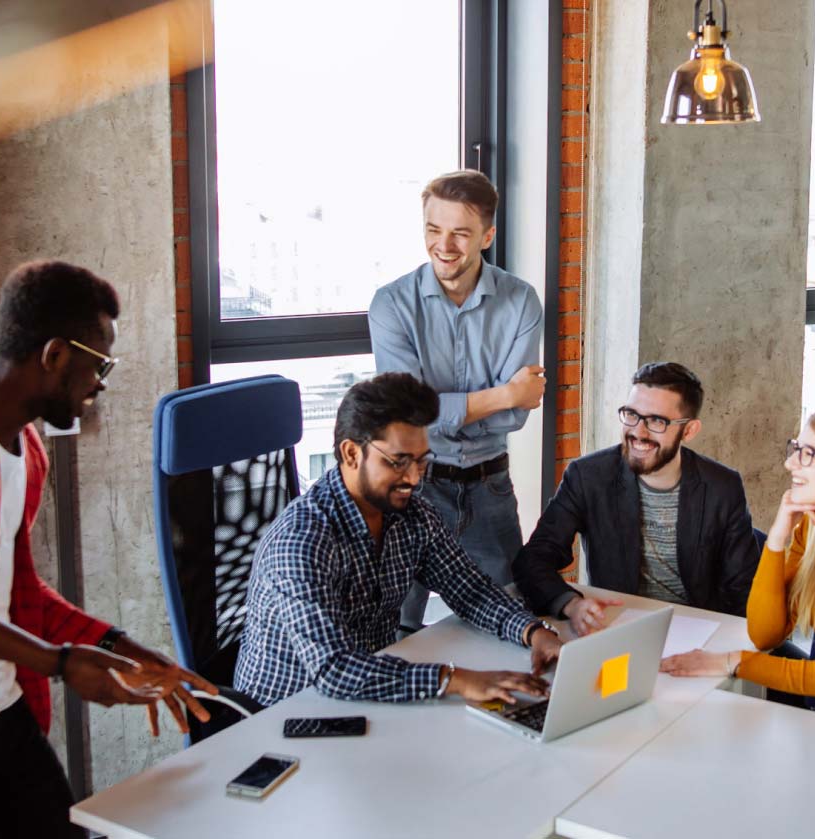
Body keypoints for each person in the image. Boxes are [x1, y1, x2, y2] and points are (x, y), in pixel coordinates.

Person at [0, 261, 217, 839]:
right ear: (55, 355)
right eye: (98, 363)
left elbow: (21, 590)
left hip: (0, 711)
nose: (101, 382)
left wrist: (126, 650)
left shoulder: (28, 449)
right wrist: (60, 663)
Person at [234, 372, 561, 707]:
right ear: (351, 454)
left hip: (370, 695)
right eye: (398, 462)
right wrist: (454, 679)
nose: (414, 478)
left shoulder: (413, 515)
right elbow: (334, 670)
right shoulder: (302, 541)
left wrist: (533, 632)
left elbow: (470, 591)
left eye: (421, 461)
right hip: (283, 716)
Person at [368, 170, 544, 630]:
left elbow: (517, 417)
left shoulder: (522, 301)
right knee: (395, 628)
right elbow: (409, 416)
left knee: (509, 620)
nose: (443, 245)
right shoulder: (391, 305)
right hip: (412, 487)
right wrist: (503, 393)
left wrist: (448, 408)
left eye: (460, 233)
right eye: (433, 229)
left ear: (487, 236)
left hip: (490, 489)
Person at [661, 406, 815, 732]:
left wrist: (731, 661)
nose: (790, 463)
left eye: (808, 454)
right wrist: (777, 538)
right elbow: (765, 633)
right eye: (795, 449)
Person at [513, 362, 760, 636]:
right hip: (618, 628)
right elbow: (533, 560)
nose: (639, 432)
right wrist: (572, 605)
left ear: (688, 431)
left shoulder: (722, 487)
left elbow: (743, 592)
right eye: (631, 414)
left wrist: (723, 649)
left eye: (657, 421)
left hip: (697, 631)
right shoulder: (588, 476)